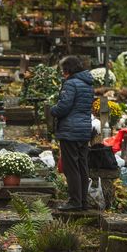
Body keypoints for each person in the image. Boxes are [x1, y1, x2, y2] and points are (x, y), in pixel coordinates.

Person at [51, 56, 94, 211]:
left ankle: (74, 201)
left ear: (68, 70)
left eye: (64, 70)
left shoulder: (70, 84)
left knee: (71, 167)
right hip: (84, 131)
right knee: (82, 166)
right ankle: (83, 201)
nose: (63, 74)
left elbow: (64, 107)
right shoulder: (88, 84)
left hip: (70, 131)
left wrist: (52, 109)